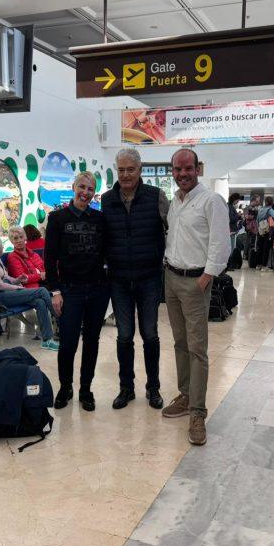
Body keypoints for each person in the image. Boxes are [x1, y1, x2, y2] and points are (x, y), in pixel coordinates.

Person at [162, 149, 230, 446]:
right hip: (171, 278)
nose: (183, 174)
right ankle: (186, 394)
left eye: (188, 168)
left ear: (198, 168)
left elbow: (220, 244)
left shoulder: (211, 200)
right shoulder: (176, 201)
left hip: (195, 282)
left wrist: (207, 277)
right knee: (180, 342)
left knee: (197, 348)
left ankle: (198, 413)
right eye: (178, 169)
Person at [102, 148, 169, 411]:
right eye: (121, 170)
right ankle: (126, 388)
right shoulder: (107, 200)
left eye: (131, 169)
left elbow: (173, 229)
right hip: (118, 279)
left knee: (150, 334)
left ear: (140, 170)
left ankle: (153, 388)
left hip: (149, 278)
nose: (126, 174)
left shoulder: (156, 197)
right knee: (124, 336)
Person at [44, 172, 110, 412]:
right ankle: (65, 387)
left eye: (90, 189)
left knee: (92, 341)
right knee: (68, 342)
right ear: (73, 188)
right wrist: (55, 291)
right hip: (69, 290)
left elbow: (107, 252)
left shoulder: (100, 219)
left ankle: (85, 389)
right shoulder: (57, 218)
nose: (85, 192)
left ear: (94, 193)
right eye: (81, 187)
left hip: (98, 290)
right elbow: (49, 259)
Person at [0, 236, 59, 351]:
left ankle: (47, 340)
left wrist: (18, 279)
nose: (2, 246)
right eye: (0, 244)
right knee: (42, 291)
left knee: (40, 301)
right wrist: (18, 288)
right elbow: (0, 286)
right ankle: (61, 321)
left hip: (7, 292)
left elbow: (7, 278)